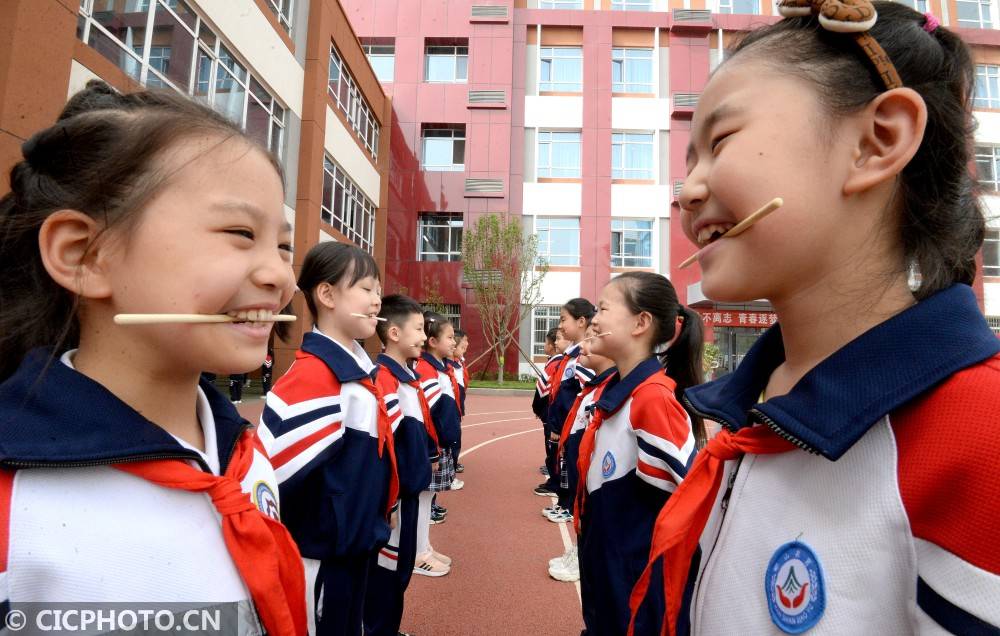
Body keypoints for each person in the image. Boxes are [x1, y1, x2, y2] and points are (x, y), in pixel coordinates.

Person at [628, 5, 1000, 635]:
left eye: (719, 142)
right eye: (687, 162)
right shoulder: (747, 408)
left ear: (877, 141)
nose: (687, 191)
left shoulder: (980, 437)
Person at [0, 80, 305, 634]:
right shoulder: (12, 503)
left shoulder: (244, 456)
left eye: (282, 246)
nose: (279, 275)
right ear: (85, 255)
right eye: (240, 233)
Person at [259, 242, 398, 636]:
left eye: (378, 290)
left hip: (353, 552)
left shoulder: (357, 371)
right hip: (320, 560)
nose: (377, 301)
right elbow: (268, 481)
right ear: (327, 294)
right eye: (367, 289)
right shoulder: (315, 380)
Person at [576, 272, 703, 636]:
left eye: (602, 309)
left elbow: (693, 504)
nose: (594, 320)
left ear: (641, 323)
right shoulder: (622, 396)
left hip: (634, 598)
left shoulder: (652, 400)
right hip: (609, 582)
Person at [364, 295, 434, 636]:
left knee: (401, 569)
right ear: (393, 333)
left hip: (408, 496)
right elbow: (384, 450)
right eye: (418, 329)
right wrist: (387, 501)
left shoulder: (406, 378)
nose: (424, 336)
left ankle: (388, 628)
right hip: (394, 501)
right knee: (386, 575)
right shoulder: (385, 381)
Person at [547, 323, 617, 583]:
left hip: (592, 468)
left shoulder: (608, 388)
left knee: (589, 509)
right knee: (581, 506)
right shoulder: (595, 386)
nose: (582, 348)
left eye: (591, 341)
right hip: (579, 457)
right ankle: (579, 551)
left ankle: (584, 557)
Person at [413, 311, 462, 575]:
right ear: (433, 341)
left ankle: (425, 546)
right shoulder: (426, 369)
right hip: (430, 444)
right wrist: (438, 446)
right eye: (450, 337)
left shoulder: (439, 368)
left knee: (428, 497)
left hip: (439, 443)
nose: (454, 342)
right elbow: (433, 412)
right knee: (422, 500)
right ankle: (418, 553)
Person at [537, 299, 596, 499]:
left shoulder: (584, 357)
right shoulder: (571, 356)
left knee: (572, 467)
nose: (560, 325)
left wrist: (559, 425)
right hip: (564, 426)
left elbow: (580, 398)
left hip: (572, 427)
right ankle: (566, 502)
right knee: (565, 465)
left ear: (580, 321)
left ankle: (569, 505)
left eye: (563, 319)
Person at [449, 328, 470, 473]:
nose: (467, 344)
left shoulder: (459, 362)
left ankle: (453, 464)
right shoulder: (449, 365)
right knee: (453, 437)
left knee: (456, 436)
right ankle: (451, 466)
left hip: (457, 406)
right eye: (464, 341)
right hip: (452, 408)